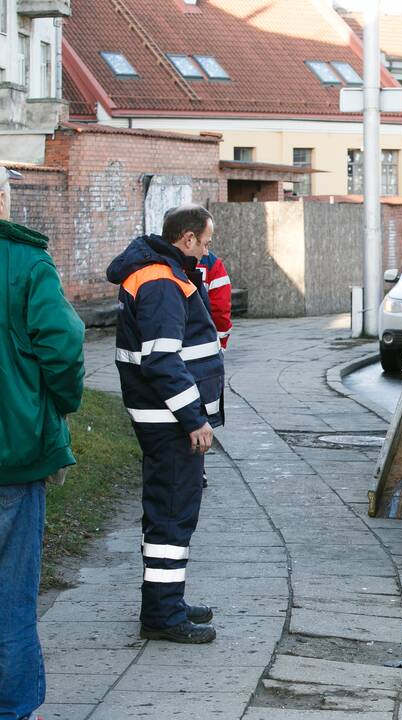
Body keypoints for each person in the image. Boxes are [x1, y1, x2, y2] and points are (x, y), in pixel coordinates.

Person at [107, 204, 225, 644]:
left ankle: (166, 599)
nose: (208, 252)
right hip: (170, 420)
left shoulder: (158, 272)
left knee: (168, 513)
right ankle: (162, 615)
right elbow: (161, 358)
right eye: (206, 242)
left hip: (162, 416)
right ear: (188, 238)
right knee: (172, 516)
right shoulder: (160, 279)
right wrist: (194, 418)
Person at [0, 167, 85, 719]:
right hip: (12, 456)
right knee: (10, 596)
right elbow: (65, 344)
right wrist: (56, 404)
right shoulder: (25, 262)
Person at [195, 251, 232, 489]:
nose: (207, 248)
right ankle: (198, 468)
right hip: (202, 352)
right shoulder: (211, 263)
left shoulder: (152, 261)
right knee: (199, 411)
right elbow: (220, 308)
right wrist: (220, 345)